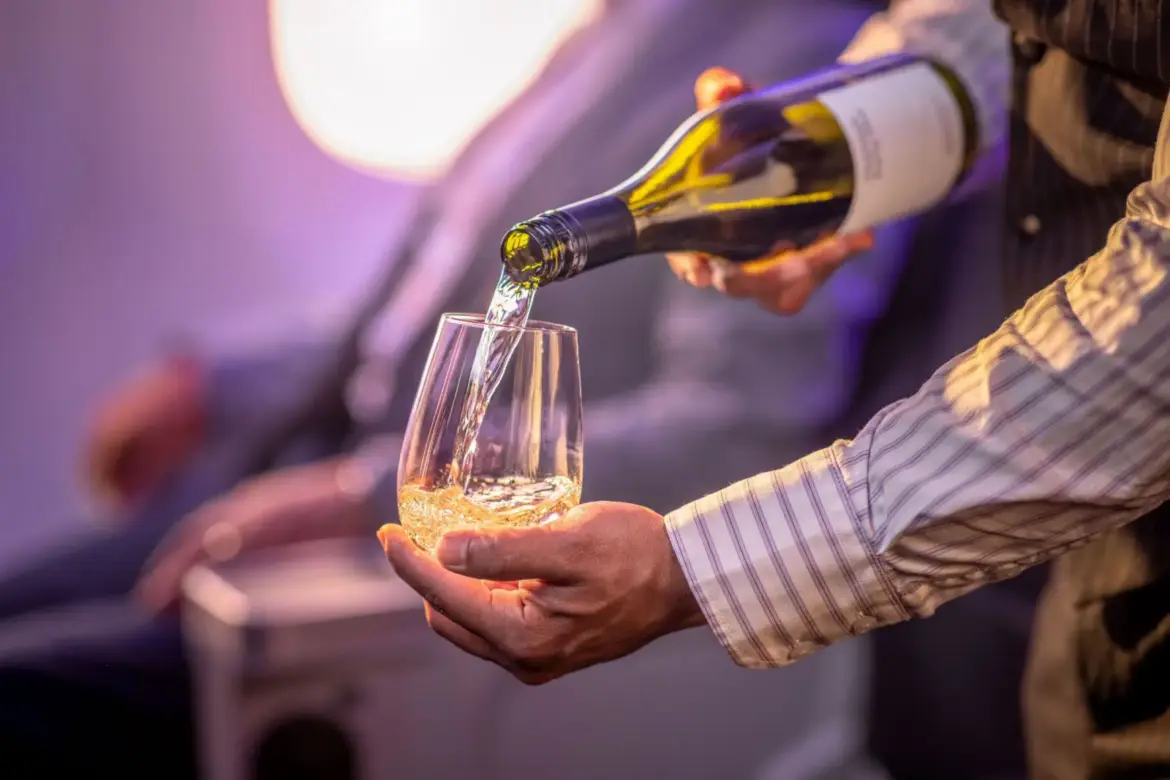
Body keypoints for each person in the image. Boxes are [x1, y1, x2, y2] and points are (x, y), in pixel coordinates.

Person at [0, 0, 928, 775]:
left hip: (409, 548)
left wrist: (351, 494)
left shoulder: (794, 58)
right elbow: (418, 317)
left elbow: (738, 423)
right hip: (305, 461)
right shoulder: (614, 29)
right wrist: (210, 382)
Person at [379, 1, 1170, 777]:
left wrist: (691, 572)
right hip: (1090, 609)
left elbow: (1152, 339)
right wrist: (841, 160)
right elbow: (1012, 29)